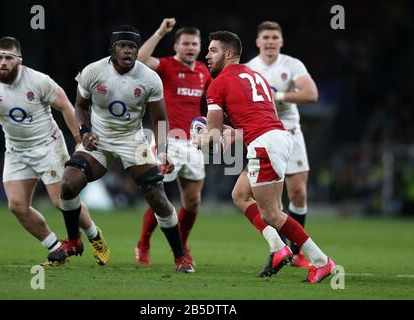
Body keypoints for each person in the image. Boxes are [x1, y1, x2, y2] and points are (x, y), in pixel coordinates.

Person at [46, 25, 194, 273]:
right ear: (112, 49)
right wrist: (85, 132)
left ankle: (181, 257)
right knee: (68, 184)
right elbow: (80, 106)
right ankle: (73, 241)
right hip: (99, 139)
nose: (127, 51)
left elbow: (159, 120)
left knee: (157, 196)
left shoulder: (148, 78)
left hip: (132, 140)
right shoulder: (93, 71)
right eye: (122, 46)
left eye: (132, 47)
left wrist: (163, 150)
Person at [201, 31, 335, 283]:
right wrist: (235, 133)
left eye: (213, 50)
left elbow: (213, 140)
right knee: (240, 195)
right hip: (277, 138)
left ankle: (321, 261)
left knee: (271, 214)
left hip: (264, 145)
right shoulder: (256, 75)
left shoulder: (217, 84)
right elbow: (263, 116)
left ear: (229, 53)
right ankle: (277, 247)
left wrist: (200, 141)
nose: (207, 56)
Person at [0, 37, 110, 266]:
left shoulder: (38, 81)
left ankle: (94, 236)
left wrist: (80, 141)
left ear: (19, 61)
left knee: (61, 201)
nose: (2, 62)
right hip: (16, 151)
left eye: (8, 58)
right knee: (17, 206)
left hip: (48, 147)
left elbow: (65, 106)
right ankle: (55, 247)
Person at [239, 21, 319, 269]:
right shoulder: (250, 68)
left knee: (298, 193)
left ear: (281, 41)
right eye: (266, 37)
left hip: (291, 133)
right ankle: (281, 249)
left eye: (275, 37)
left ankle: (297, 252)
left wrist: (279, 96)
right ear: (258, 41)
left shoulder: (292, 64)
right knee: (268, 201)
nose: (271, 41)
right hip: (263, 135)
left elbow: (311, 94)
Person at [134, 18, 211, 265]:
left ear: (200, 47)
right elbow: (140, 61)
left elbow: (212, 104)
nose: (190, 47)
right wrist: (159, 33)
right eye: (185, 43)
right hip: (168, 141)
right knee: (160, 196)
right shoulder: (166, 66)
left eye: (195, 43)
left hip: (193, 143)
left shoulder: (202, 71)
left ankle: (182, 244)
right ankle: (143, 244)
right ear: (176, 46)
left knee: (193, 200)